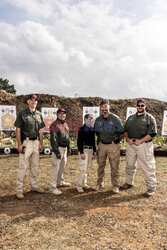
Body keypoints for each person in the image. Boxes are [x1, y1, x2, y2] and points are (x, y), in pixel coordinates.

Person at [121, 99, 157, 197]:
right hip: (131, 145)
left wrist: (140, 141)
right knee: (129, 164)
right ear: (136, 106)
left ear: (145, 106)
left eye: (142, 105)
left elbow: (152, 134)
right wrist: (127, 139)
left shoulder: (150, 118)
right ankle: (129, 183)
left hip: (144, 145)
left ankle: (151, 187)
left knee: (148, 166)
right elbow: (125, 130)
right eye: (138, 105)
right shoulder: (131, 118)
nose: (140, 107)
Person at [14, 94, 45, 199]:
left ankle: (34, 185)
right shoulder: (22, 114)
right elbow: (18, 129)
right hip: (26, 143)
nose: (33, 102)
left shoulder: (39, 114)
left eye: (35, 101)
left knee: (35, 166)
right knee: (23, 166)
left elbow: (41, 130)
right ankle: (19, 190)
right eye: (31, 100)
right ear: (28, 102)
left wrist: (41, 143)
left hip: (36, 142)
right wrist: (19, 144)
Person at [94, 100, 124, 194]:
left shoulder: (115, 119)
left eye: (105, 107)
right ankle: (99, 183)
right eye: (102, 107)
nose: (104, 109)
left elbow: (122, 132)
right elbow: (97, 133)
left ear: (109, 107)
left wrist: (117, 140)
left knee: (114, 166)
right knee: (100, 165)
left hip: (113, 145)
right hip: (102, 145)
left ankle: (115, 185)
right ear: (100, 108)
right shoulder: (98, 120)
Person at [50, 108, 71, 195]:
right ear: (57, 115)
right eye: (60, 113)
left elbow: (68, 137)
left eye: (64, 114)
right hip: (58, 149)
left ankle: (60, 182)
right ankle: (52, 187)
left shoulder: (65, 124)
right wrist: (56, 151)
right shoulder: (54, 125)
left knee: (62, 166)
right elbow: (53, 140)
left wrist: (69, 148)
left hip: (65, 149)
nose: (62, 115)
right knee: (55, 168)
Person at [76, 114, 96, 193]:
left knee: (86, 168)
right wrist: (81, 152)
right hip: (84, 150)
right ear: (84, 119)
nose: (89, 120)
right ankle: (79, 185)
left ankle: (84, 184)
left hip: (90, 150)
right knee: (82, 169)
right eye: (88, 118)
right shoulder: (81, 129)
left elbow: (93, 141)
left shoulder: (92, 129)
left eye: (91, 119)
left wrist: (94, 150)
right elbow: (79, 142)